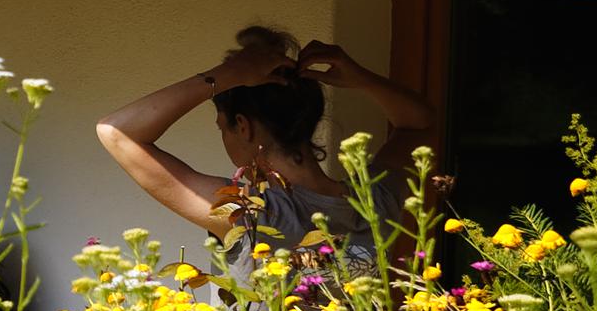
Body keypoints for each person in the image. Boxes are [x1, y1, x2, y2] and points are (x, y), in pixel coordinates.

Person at [97, 26, 429, 270]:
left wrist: (225, 75)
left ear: (243, 126)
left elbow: (116, 132)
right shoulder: (373, 203)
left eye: (223, 128)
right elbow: (419, 124)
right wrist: (363, 79)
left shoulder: (251, 215)